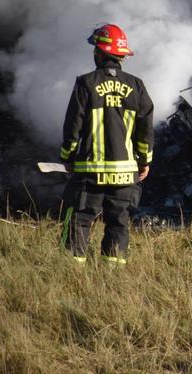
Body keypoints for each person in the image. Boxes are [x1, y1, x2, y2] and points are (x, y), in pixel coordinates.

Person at [59, 23, 154, 264]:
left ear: (99, 53)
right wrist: (144, 162)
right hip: (125, 175)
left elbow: (73, 126)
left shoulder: (85, 84)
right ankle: (112, 276)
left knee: (79, 219)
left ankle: (72, 272)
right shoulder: (136, 86)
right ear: (121, 55)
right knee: (118, 222)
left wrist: (67, 157)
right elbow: (145, 131)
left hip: (90, 172)